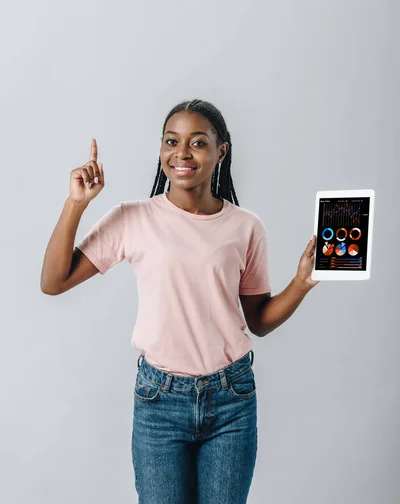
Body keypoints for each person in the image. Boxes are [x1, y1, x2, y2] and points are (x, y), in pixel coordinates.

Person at [41, 98, 319, 503]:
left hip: (232, 400)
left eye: (198, 142)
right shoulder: (132, 218)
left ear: (221, 150)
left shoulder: (245, 227)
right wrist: (76, 204)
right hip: (160, 401)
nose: (182, 153)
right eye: (172, 141)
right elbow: (53, 281)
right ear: (160, 149)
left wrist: (301, 282)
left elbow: (258, 320)